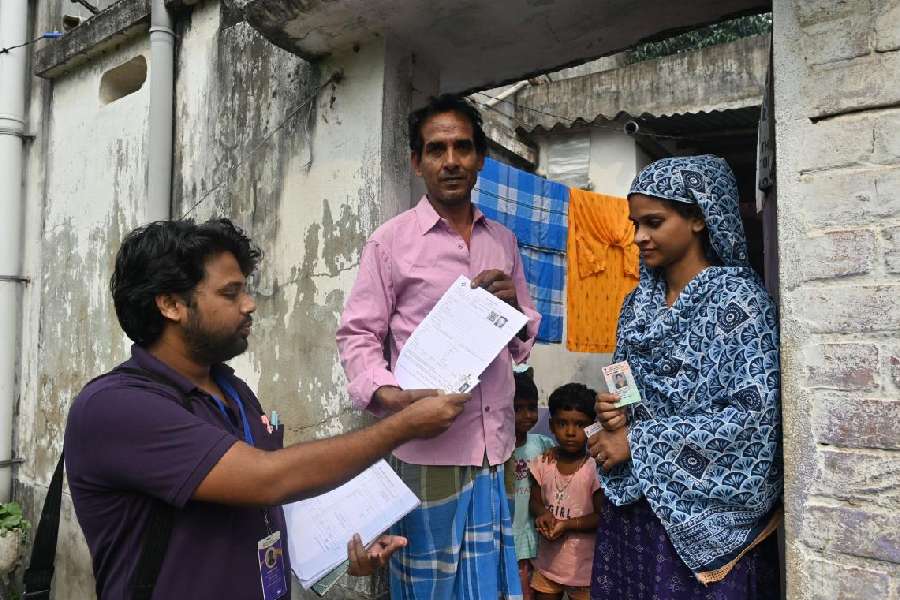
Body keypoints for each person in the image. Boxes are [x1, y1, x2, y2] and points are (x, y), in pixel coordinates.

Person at [65, 219, 471, 600]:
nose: (249, 305)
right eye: (230, 293)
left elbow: (266, 504)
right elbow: (267, 478)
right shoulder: (116, 407)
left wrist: (345, 539)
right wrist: (402, 426)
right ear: (171, 304)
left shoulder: (234, 390)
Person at [336, 94, 540, 599]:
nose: (451, 160)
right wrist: (391, 398)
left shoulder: (504, 241)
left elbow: (522, 341)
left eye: (462, 147)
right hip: (428, 451)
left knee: (490, 585)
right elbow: (358, 335)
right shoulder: (390, 242)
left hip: (497, 449)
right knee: (429, 588)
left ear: (480, 159)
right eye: (436, 149)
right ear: (417, 162)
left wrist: (514, 312)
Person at [589, 155, 782, 599]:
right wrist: (615, 411)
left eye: (654, 222)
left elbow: (754, 419)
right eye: (635, 223)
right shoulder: (635, 306)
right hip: (636, 510)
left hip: (707, 521)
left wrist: (636, 443)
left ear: (698, 217)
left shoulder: (740, 303)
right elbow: (625, 386)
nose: (638, 237)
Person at [528, 383, 602, 600]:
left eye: (580, 425)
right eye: (562, 423)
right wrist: (543, 514)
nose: (570, 432)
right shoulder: (543, 463)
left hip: (583, 570)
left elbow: (600, 517)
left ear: (592, 427)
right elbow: (534, 500)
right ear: (551, 425)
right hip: (547, 565)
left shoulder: (594, 469)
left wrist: (568, 525)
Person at [510, 369, 556, 600]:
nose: (526, 415)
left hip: (532, 528)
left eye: (531, 407)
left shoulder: (543, 445)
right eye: (517, 409)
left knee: (529, 580)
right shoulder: (498, 451)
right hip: (508, 527)